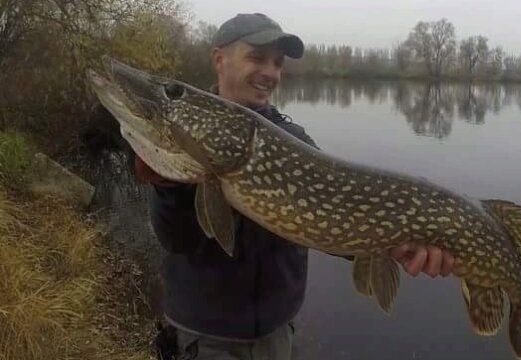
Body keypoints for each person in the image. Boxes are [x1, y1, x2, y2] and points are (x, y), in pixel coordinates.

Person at [133, 13, 456, 360]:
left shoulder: (295, 141)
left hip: (277, 336)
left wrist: (395, 243)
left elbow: (337, 222)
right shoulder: (194, 133)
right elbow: (176, 239)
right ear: (219, 60)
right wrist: (170, 188)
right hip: (205, 339)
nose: (271, 73)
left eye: (277, 63)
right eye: (257, 58)